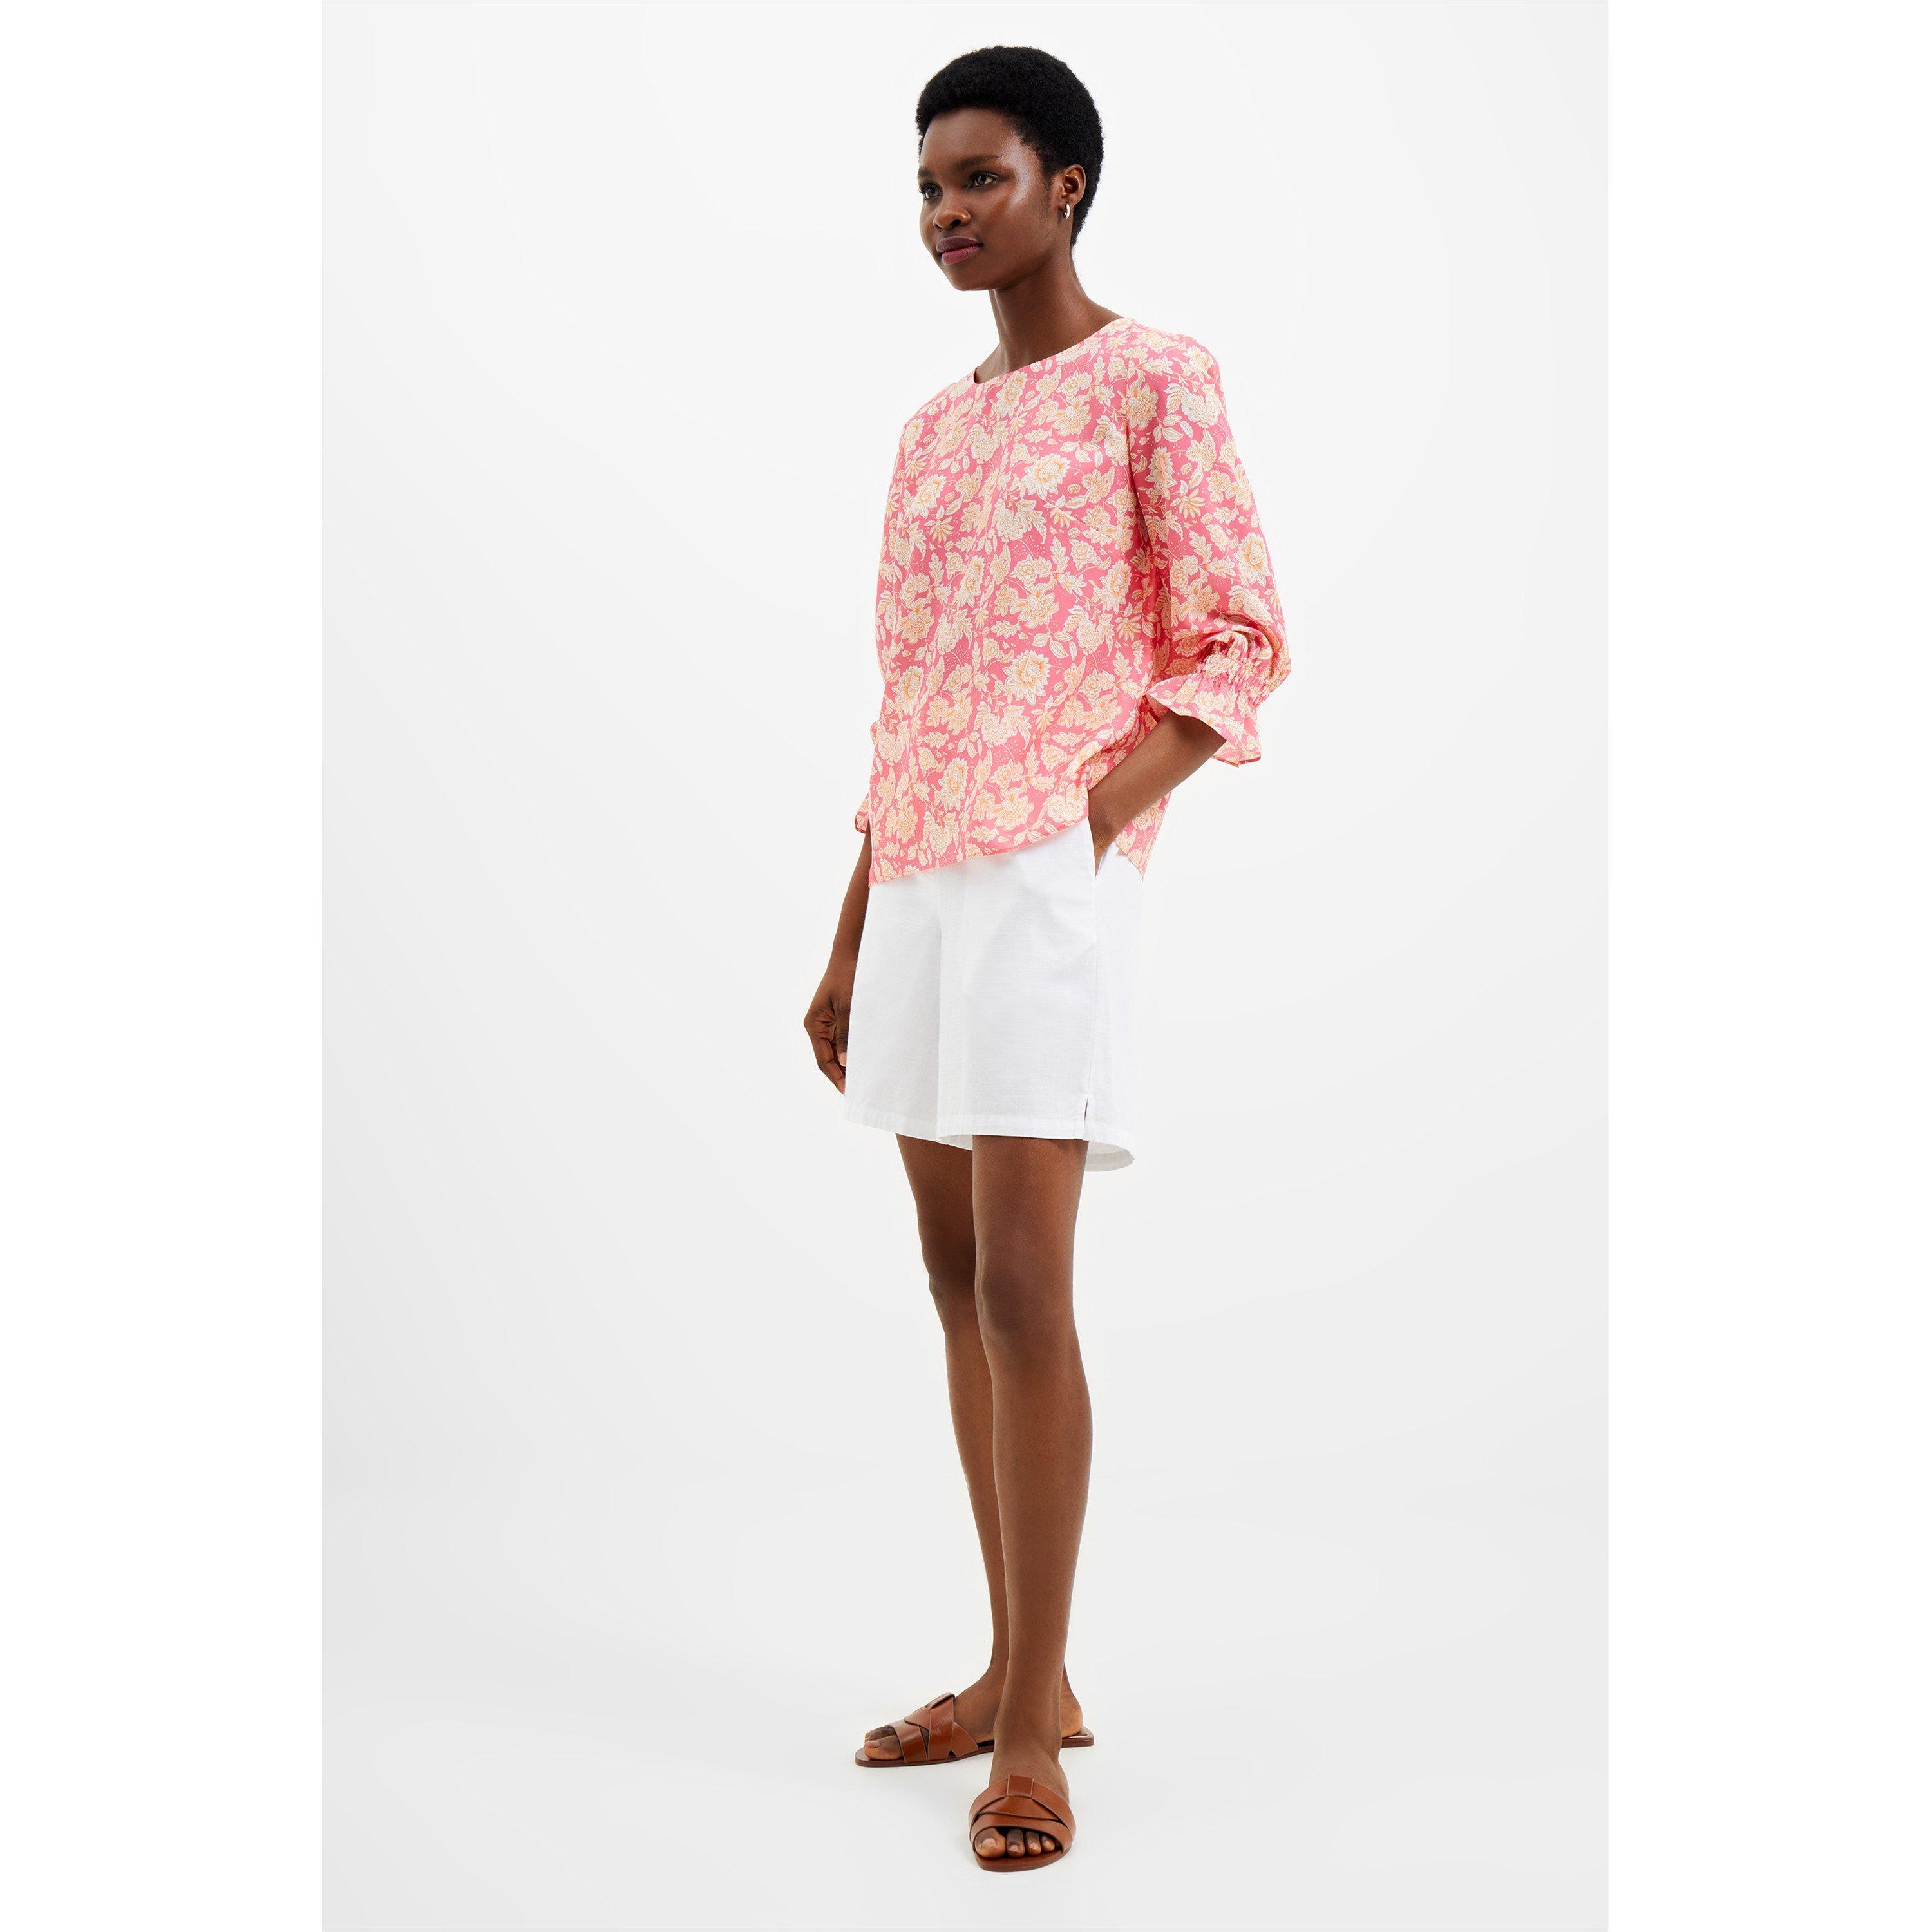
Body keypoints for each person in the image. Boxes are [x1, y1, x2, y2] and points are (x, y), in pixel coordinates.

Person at [802, 43, 1290, 1873]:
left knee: (1025, 1288)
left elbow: (1239, 636)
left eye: (980, 178)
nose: (947, 213)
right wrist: (850, 934)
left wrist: (1087, 824)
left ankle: (1028, 1732)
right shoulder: (933, 434)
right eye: (929, 188)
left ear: (1065, 185)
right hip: (920, 875)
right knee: (952, 1281)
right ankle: (1026, 1671)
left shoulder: (1156, 379)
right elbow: (909, 692)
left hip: (1036, 877)